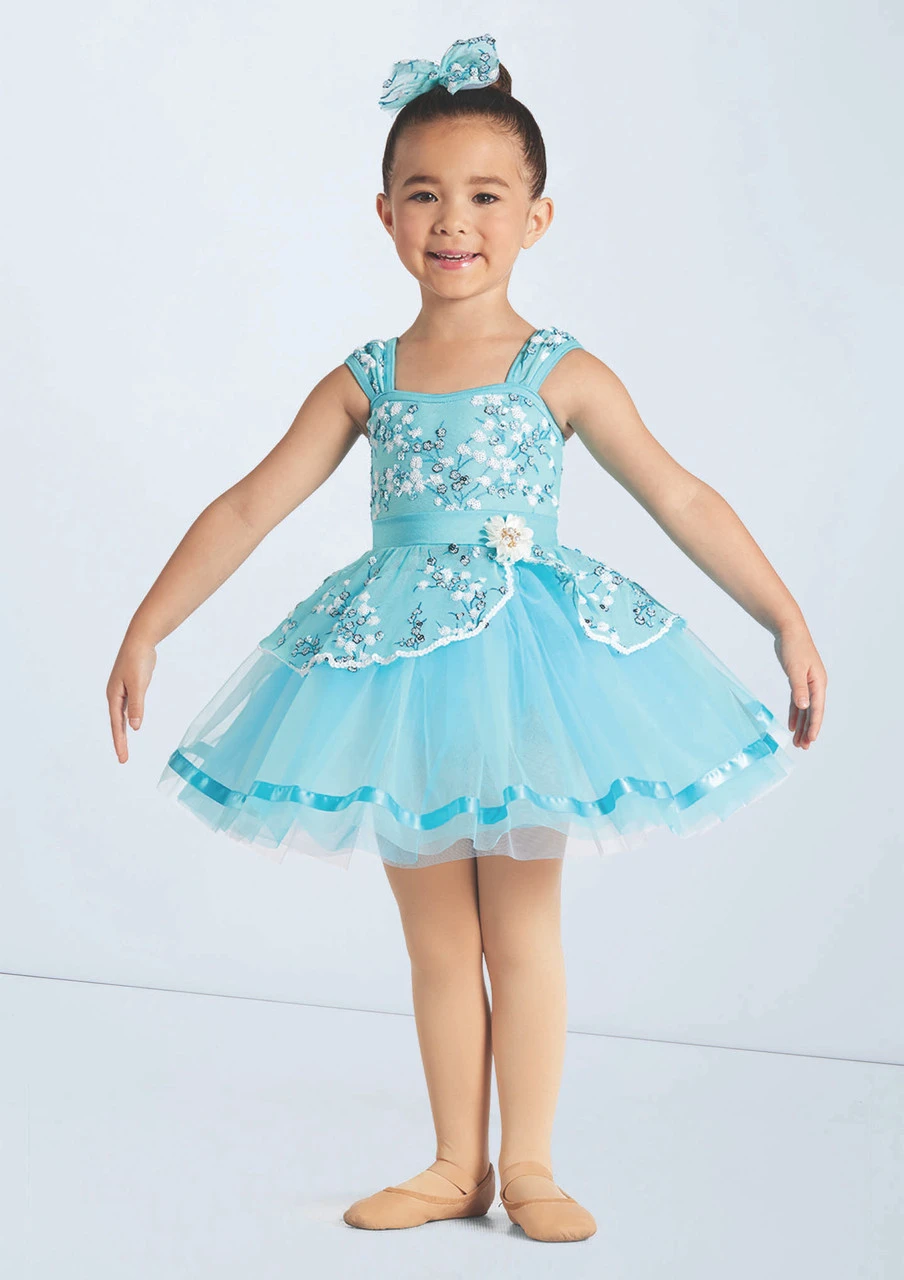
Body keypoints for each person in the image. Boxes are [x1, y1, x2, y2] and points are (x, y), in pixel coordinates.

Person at [107, 33, 827, 1244]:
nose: (454, 221)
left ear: (536, 216)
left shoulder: (561, 371)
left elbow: (682, 495)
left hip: (527, 669)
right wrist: (149, 624)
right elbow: (247, 505)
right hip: (398, 676)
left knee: (520, 925)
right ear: (384, 212)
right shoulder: (367, 376)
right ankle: (456, 1162)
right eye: (425, 194)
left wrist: (785, 617)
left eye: (486, 196)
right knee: (439, 938)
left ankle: (530, 1160)